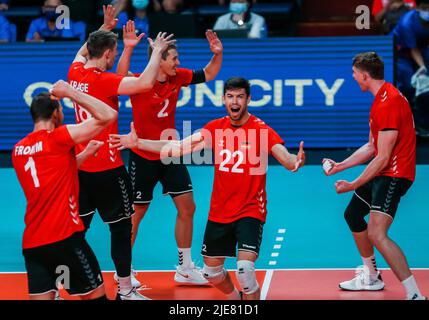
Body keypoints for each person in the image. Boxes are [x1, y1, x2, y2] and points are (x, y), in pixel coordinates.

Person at [109, 77, 305, 300]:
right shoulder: (215, 129)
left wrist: (295, 162)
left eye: (240, 96)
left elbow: (286, 158)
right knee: (211, 273)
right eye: (230, 96)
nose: (235, 101)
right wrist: (139, 143)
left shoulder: (261, 130)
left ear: (248, 99)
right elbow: (177, 148)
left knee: (245, 270)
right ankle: (235, 299)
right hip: (220, 213)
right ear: (223, 99)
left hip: (250, 210)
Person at [68, 5, 175, 300]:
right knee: (120, 230)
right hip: (107, 167)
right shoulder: (103, 81)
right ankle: (125, 290)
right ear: (105, 55)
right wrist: (157, 52)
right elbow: (143, 82)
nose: (114, 58)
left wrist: (104, 27)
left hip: (80, 167)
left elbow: (84, 51)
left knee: (75, 230)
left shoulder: (74, 71)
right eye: (113, 53)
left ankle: (63, 283)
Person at [115, 28, 223, 285]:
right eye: (173, 58)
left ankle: (185, 267)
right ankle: (125, 271)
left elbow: (208, 73)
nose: (178, 62)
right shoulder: (142, 81)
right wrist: (129, 47)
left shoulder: (177, 77)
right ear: (159, 60)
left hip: (170, 153)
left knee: (188, 207)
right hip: (143, 155)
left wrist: (217, 54)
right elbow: (119, 77)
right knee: (135, 214)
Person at [322, 52, 426, 300]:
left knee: (377, 233)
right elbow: (372, 147)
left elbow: (382, 157)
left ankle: (414, 294)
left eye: (354, 74)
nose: (353, 77)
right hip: (384, 171)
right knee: (353, 214)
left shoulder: (388, 102)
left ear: (365, 75)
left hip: (395, 175)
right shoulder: (381, 98)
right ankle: (371, 276)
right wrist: (340, 166)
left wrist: (353, 184)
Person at [12, 80, 117, 300]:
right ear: (55, 114)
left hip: (33, 245)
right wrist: (71, 92)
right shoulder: (58, 138)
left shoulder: (19, 150)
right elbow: (108, 115)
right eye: (61, 110)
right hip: (64, 239)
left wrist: (86, 153)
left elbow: (56, 171)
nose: (63, 114)